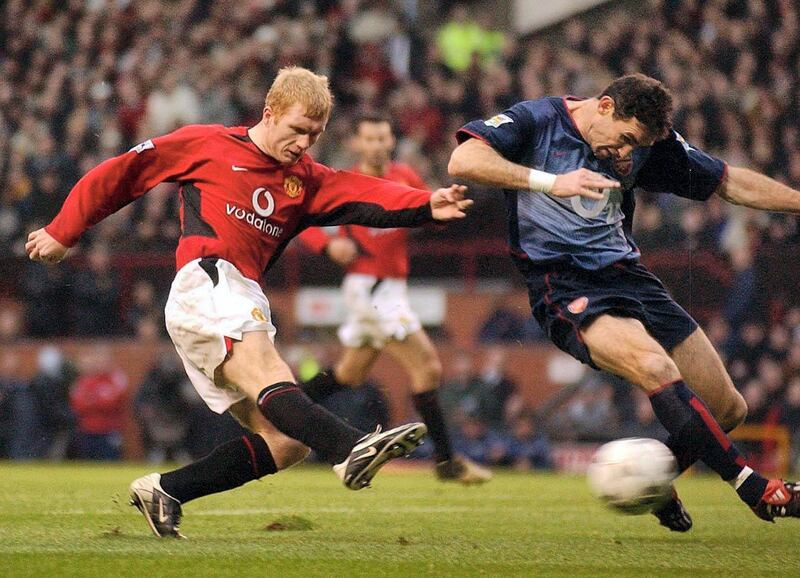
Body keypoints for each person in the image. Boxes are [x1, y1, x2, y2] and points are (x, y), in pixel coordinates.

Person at [26, 66, 473, 538]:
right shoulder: (208, 144)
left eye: (314, 135)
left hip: (234, 296)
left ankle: (166, 490)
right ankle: (351, 447)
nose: (303, 143)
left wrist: (427, 206)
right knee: (268, 374)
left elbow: (364, 192)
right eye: (297, 129)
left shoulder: (305, 180)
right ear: (270, 112)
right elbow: (125, 172)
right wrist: (63, 230)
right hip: (209, 279)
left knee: (285, 442)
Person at [448, 73, 800, 530]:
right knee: (654, 368)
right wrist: (549, 181)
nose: (629, 154)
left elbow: (730, 182)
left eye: (639, 147)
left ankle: (653, 480)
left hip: (633, 279)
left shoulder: (647, 145)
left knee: (729, 408)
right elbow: (464, 159)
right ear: (606, 106)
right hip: (565, 284)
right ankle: (754, 488)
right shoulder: (536, 121)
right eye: (627, 139)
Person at [296, 114, 491, 484]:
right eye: (368, 138)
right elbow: (302, 219)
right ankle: (447, 462)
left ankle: (273, 412)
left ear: (391, 140)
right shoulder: (346, 181)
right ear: (357, 144)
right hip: (370, 287)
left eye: (382, 137)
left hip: (390, 288)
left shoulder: (405, 176)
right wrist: (327, 244)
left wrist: (444, 208)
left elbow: (427, 210)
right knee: (427, 368)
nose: (376, 145)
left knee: (348, 374)